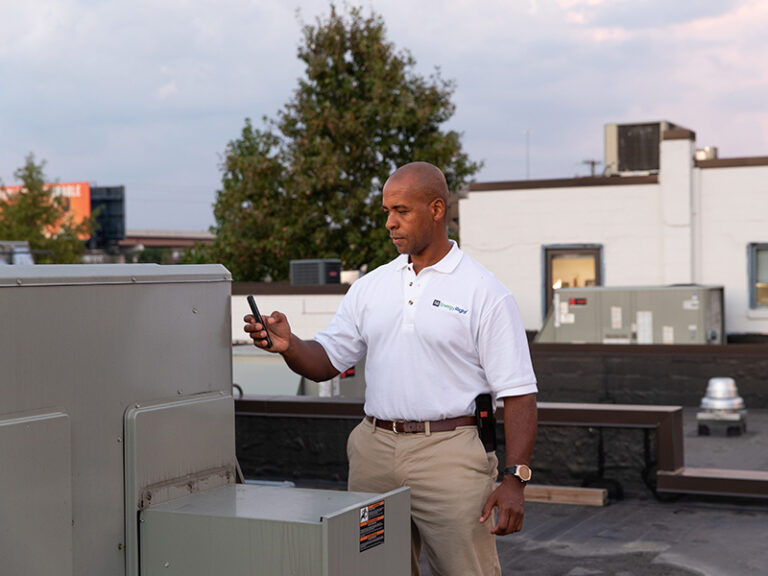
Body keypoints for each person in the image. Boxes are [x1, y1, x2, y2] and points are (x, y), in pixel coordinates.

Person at [244, 161, 538, 576]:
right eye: (386, 211)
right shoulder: (371, 287)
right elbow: (327, 360)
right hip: (375, 452)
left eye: (401, 210)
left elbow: (520, 392)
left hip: (450, 454)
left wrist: (514, 481)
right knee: (372, 568)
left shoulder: (484, 292)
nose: (390, 223)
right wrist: (289, 346)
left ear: (437, 209)